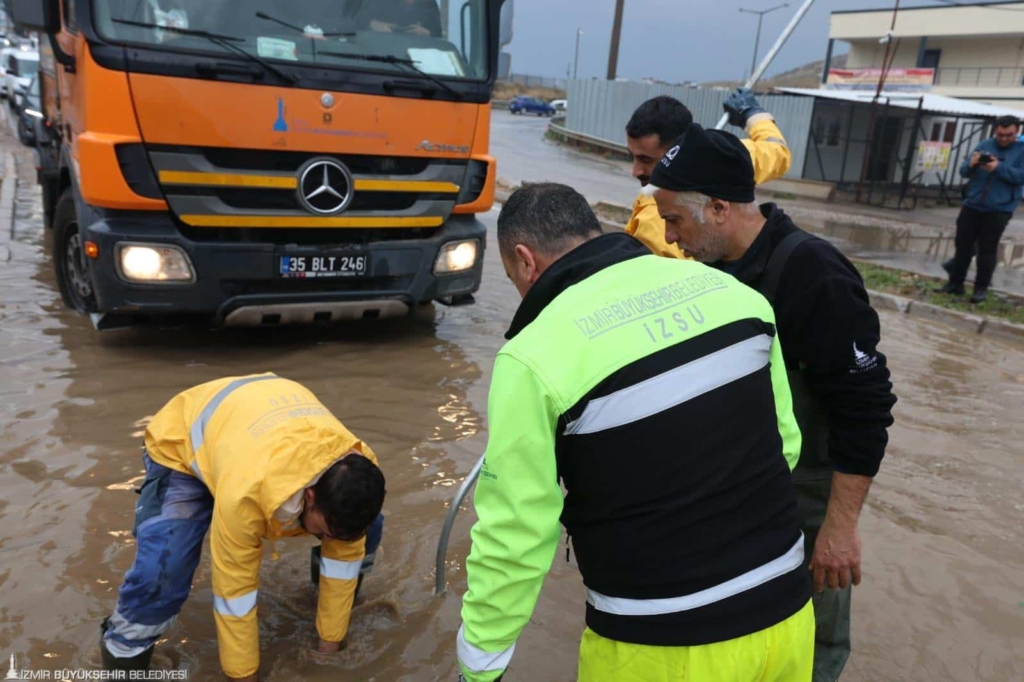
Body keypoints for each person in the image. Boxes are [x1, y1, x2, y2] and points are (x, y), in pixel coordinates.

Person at [456, 182, 814, 682]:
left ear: (524, 260)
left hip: (660, 645)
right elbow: (785, 445)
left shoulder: (532, 357)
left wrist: (478, 664)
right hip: (788, 617)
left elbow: (515, 536)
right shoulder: (735, 297)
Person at [648, 124, 897, 682]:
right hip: (736, 494)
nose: (668, 236)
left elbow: (866, 409)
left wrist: (838, 529)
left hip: (805, 501)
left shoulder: (813, 273)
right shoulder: (708, 273)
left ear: (717, 208)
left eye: (674, 220)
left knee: (811, 643)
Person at [100, 373, 387, 681]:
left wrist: (326, 654)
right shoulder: (246, 496)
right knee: (163, 571)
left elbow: (344, 555)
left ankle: (317, 600)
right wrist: (243, 676)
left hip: (255, 420)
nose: (332, 540)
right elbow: (234, 592)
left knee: (366, 530)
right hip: (183, 445)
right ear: (311, 496)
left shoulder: (358, 469)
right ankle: (124, 656)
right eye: (327, 532)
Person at [624, 89, 791, 259]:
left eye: (646, 160)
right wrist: (753, 114)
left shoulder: (656, 221)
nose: (635, 171)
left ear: (676, 153)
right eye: (633, 157)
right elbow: (776, 151)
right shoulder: (728, 157)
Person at [937, 115, 1024, 304]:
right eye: (1000, 134)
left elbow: (1020, 176)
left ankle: (980, 289)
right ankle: (955, 284)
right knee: (963, 246)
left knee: (987, 250)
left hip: (999, 209)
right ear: (995, 131)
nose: (1003, 138)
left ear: (1016, 131)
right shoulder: (985, 144)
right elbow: (962, 171)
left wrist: (998, 167)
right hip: (973, 204)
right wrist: (971, 164)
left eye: (1008, 135)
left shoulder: (1021, 150)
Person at [358, 0, 442, 38]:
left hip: (416, 59)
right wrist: (373, 24)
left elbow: (438, 35)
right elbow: (355, 17)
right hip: (382, 54)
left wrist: (426, 33)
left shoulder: (429, 4)